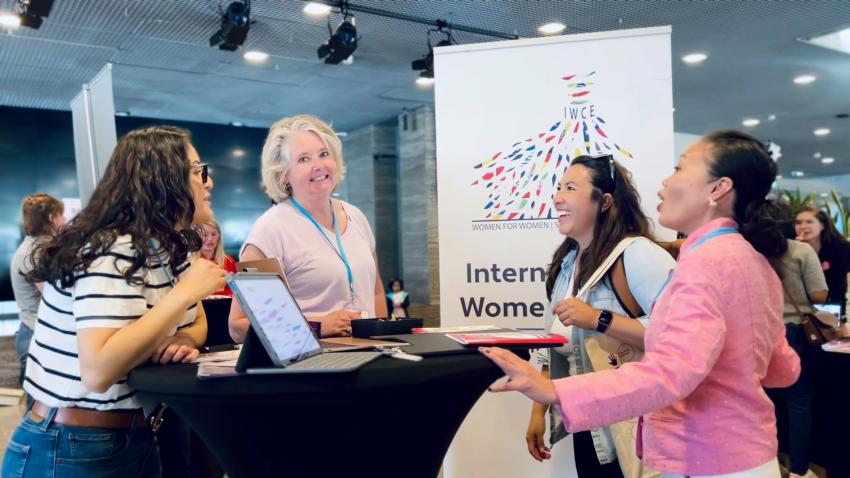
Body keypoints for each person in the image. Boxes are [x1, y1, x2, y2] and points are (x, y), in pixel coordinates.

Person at [481, 130, 801, 478]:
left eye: (680, 169)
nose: (666, 182)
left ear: (718, 188)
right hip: (747, 453)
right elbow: (783, 368)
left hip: (704, 458)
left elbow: (670, 373)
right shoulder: (751, 259)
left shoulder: (702, 263)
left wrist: (552, 390)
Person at [1, 125, 227, 477]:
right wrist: (185, 293)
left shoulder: (170, 250)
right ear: (163, 179)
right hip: (73, 444)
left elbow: (197, 322)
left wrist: (182, 339)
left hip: (135, 437)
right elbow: (98, 371)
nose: (208, 182)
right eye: (198, 171)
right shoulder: (110, 250)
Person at [528, 155, 674, 477]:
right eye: (558, 187)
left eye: (571, 188)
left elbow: (678, 335)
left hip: (634, 424)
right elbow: (551, 346)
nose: (558, 197)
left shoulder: (637, 254)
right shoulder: (567, 263)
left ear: (605, 201)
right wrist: (538, 412)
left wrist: (599, 319)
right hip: (590, 425)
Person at [229, 114, 387, 342]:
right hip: (314, 360)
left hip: (371, 356)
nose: (319, 165)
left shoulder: (356, 216)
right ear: (283, 174)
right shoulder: (271, 230)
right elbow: (239, 326)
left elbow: (376, 292)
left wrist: (384, 342)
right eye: (303, 159)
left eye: (324, 154)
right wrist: (316, 326)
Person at [769, 206, 827, 478]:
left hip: (763, 332)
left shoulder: (753, 252)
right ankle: (799, 470)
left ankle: (770, 463)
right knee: (799, 402)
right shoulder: (801, 251)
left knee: (767, 402)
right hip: (794, 332)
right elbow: (819, 295)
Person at [10, 193, 65, 407]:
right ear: (52, 218)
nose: (65, 220)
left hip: (37, 331)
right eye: (61, 215)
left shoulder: (38, 247)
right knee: (37, 410)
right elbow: (54, 296)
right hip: (34, 334)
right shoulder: (34, 253)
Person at [795, 204, 850, 316]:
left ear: (822, 225)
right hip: (800, 310)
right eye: (799, 223)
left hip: (833, 308)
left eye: (809, 222)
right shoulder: (791, 249)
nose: (803, 226)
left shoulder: (841, 248)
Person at [199, 219, 237, 296]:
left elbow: (236, 291)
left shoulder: (228, 261)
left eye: (213, 234)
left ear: (219, 237)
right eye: (205, 234)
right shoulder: (189, 262)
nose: (210, 239)